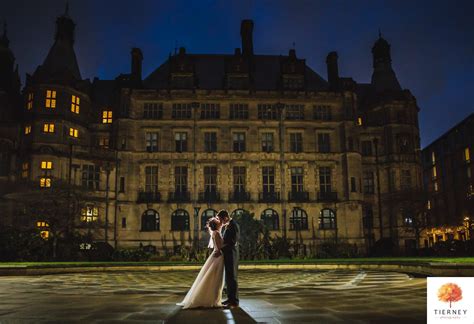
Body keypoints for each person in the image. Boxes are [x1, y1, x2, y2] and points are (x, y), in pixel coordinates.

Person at [177, 217, 225, 309]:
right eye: (218, 222)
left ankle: (212, 298)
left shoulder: (215, 232)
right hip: (218, 257)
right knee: (217, 279)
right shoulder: (217, 233)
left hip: (215, 256)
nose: (220, 222)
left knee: (212, 278)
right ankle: (214, 300)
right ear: (216, 225)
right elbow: (219, 248)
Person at [216, 209, 240, 308]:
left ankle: (234, 301)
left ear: (225, 217)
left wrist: (221, 248)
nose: (221, 222)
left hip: (232, 255)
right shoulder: (229, 225)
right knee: (229, 278)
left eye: (221, 219)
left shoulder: (234, 225)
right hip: (228, 254)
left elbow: (233, 241)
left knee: (232, 278)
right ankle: (230, 299)